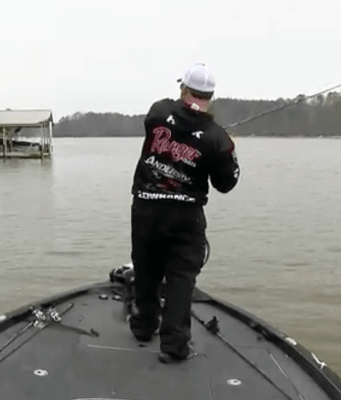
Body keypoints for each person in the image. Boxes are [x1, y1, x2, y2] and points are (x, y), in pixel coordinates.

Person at [129, 63, 240, 363]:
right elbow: (226, 183)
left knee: (146, 268)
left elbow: (173, 121)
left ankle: (143, 327)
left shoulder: (158, 111)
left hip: (146, 208)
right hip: (185, 216)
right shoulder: (217, 138)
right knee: (180, 278)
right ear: (211, 96)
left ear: (183, 88)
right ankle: (174, 346)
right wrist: (226, 151)